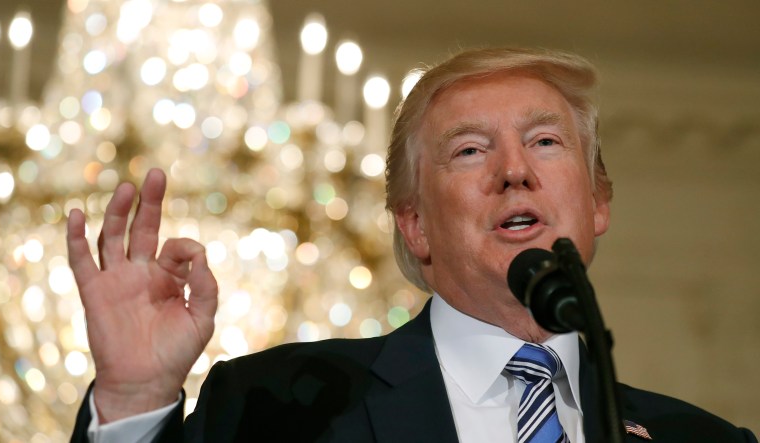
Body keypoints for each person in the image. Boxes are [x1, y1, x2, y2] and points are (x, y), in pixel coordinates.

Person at [68, 47, 757, 442]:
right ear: (414, 223)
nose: (514, 169)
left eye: (546, 142)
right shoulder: (274, 408)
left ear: (598, 201)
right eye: (469, 149)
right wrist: (132, 404)